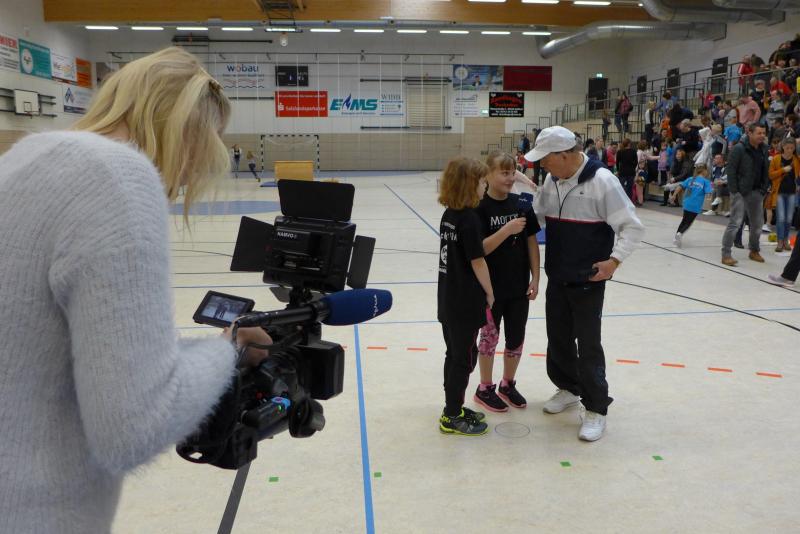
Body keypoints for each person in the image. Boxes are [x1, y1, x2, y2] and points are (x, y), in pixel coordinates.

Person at [0, 47, 273, 533]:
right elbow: (134, 426)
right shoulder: (117, 175)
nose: (186, 177)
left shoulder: (25, 155)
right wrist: (228, 349)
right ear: (189, 129)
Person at [525, 126, 644, 442]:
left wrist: (614, 261)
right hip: (558, 276)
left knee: (588, 345)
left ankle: (596, 408)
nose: (542, 165)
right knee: (558, 339)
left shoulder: (603, 181)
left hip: (588, 280)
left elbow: (632, 227)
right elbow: (537, 216)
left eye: (546, 159)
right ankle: (568, 388)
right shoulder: (552, 180)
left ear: (565, 155)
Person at [473, 151, 541, 412]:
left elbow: (532, 243)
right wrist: (507, 230)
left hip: (518, 287)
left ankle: (507, 384)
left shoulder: (520, 204)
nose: (511, 178)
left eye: (513, 172)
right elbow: (479, 249)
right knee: (489, 338)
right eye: (504, 173)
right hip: (490, 290)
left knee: (516, 337)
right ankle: (484, 387)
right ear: (488, 175)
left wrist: (536, 277)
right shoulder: (479, 207)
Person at [437, 157, 494, 436]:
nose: (485, 186)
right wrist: (490, 292)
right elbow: (478, 261)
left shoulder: (450, 214)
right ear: (471, 184)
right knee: (463, 359)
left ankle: (454, 406)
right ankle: (451, 415)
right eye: (482, 182)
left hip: (448, 299)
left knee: (455, 354)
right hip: (465, 302)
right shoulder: (469, 219)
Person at [721, 123, 770, 266]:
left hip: (757, 191)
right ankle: (726, 254)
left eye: (764, 133)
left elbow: (765, 170)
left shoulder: (764, 149)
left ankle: (754, 250)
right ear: (750, 133)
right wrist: (734, 190)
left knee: (757, 224)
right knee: (735, 223)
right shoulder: (739, 148)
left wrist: (764, 188)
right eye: (759, 133)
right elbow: (731, 170)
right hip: (740, 192)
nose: (762, 136)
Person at [664, 164, 714, 247]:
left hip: (686, 203)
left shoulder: (691, 179)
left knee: (684, 220)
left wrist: (674, 195)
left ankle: (676, 238)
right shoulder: (706, 182)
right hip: (696, 205)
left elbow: (680, 186)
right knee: (688, 222)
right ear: (704, 171)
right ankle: (680, 233)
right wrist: (712, 187)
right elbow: (709, 193)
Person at [768, 138, 800, 252]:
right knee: (781, 218)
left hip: (792, 192)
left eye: (792, 148)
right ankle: (780, 241)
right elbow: (771, 175)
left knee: (789, 219)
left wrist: (798, 184)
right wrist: (783, 170)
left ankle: (786, 240)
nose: (790, 150)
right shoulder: (776, 158)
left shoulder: (797, 159)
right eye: (787, 148)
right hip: (779, 192)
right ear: (783, 147)